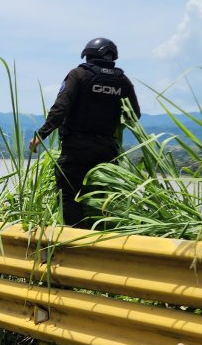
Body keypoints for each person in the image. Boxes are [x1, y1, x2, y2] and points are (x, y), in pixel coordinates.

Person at [30, 37, 141, 228]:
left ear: (88, 55)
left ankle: (75, 238)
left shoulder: (78, 75)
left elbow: (60, 109)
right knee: (101, 195)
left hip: (76, 149)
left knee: (68, 194)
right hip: (106, 150)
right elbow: (134, 115)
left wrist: (41, 135)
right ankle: (101, 236)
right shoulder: (122, 81)